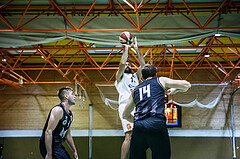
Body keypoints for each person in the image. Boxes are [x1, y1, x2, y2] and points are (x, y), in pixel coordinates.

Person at [123, 64, 191, 159]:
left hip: (139, 126)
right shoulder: (160, 80)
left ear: (142, 77)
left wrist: (138, 121)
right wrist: (175, 90)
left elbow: (125, 115)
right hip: (156, 123)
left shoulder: (135, 90)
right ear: (155, 74)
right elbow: (187, 85)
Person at [115, 37, 145, 159]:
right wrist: (126, 48)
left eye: (129, 64)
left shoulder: (135, 77)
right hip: (125, 106)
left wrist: (137, 50)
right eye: (125, 64)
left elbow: (143, 65)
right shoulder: (119, 78)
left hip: (137, 107)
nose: (127, 64)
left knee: (137, 135)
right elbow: (122, 63)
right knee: (129, 135)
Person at [39, 86, 78, 159]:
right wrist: (49, 154)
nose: (74, 96)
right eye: (72, 94)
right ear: (66, 96)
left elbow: (68, 134)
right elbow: (48, 132)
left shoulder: (70, 114)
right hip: (48, 144)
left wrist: (74, 151)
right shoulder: (58, 110)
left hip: (57, 144)